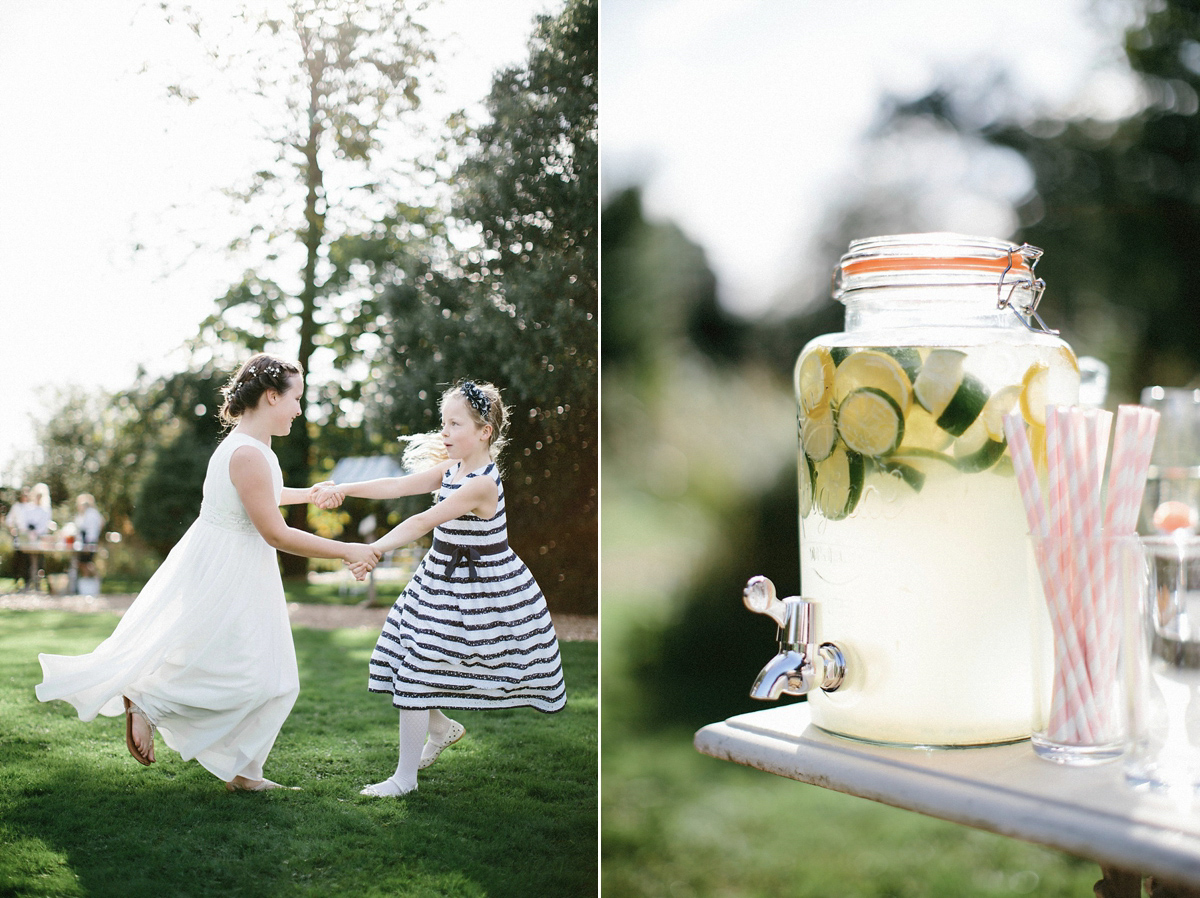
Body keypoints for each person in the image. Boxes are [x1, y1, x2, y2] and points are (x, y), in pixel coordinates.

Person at [36, 353, 382, 792]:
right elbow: (274, 533)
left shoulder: (249, 447)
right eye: (296, 399)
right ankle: (150, 703)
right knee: (263, 678)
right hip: (232, 570)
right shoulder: (248, 454)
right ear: (272, 396)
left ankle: (242, 773)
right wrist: (346, 550)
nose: (299, 409)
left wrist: (308, 495)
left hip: (232, 562)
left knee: (266, 677)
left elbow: (261, 494)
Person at [313, 380, 566, 798]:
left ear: (484, 431)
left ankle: (404, 780)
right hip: (438, 582)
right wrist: (344, 488)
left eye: (454, 424)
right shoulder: (452, 470)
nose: (443, 433)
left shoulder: (481, 482)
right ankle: (442, 728)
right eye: (443, 423)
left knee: (416, 671)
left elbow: (419, 523)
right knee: (407, 660)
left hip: (480, 592)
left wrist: (369, 551)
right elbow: (396, 486)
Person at [73, 493, 105, 579]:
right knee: (82, 563)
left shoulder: (91, 513)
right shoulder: (82, 514)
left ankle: (96, 578)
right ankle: (86, 579)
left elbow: (100, 523)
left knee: (87, 563)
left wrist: (95, 534)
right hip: (84, 541)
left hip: (89, 541)